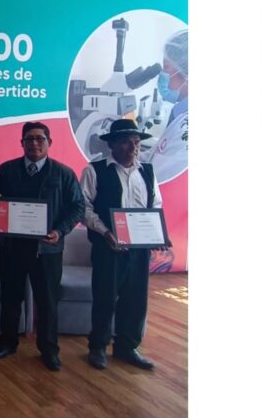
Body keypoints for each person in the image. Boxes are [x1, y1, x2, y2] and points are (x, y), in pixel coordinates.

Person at [0, 122, 86, 371]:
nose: (34, 143)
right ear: (22, 143)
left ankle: (49, 349)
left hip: (47, 249)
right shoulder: (7, 170)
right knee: (10, 298)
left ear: (49, 142)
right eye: (29, 139)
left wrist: (59, 231)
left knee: (48, 301)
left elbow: (77, 207)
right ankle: (7, 342)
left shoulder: (64, 173)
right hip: (12, 248)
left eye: (39, 139)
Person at [81, 118, 166, 371]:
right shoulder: (94, 170)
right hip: (107, 247)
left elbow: (155, 205)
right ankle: (98, 347)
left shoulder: (147, 172)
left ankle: (127, 347)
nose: (133, 148)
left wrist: (158, 234)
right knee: (105, 298)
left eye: (137, 142)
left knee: (135, 299)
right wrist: (105, 231)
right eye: (127, 142)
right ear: (112, 145)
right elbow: (84, 207)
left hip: (139, 249)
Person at [147, 29, 188, 181]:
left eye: (166, 67)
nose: (162, 75)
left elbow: (160, 178)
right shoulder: (179, 113)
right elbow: (153, 154)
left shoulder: (187, 127)